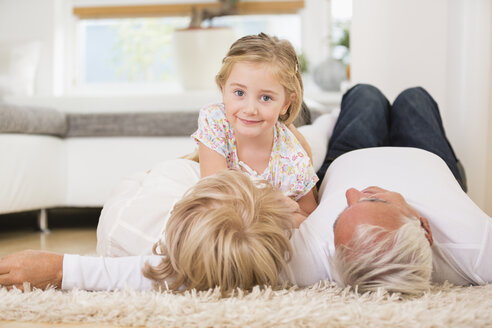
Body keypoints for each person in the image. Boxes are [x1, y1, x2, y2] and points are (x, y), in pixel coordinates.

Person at [2, 84, 491, 295]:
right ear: (423, 226)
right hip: (433, 164)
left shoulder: (308, 258)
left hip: (345, 158)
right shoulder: (471, 241)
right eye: (369, 199)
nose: (349, 195)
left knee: (363, 96)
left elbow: (178, 274)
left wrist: (59, 268)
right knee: (412, 100)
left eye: (361, 203)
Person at [191, 32, 318, 217]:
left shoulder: (294, 162)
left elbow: (308, 216)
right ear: (223, 89)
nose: (250, 109)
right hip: (273, 127)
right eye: (239, 93)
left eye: (265, 97)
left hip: (284, 139)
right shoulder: (215, 118)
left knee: (320, 136)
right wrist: (272, 204)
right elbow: (215, 193)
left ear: (286, 104)